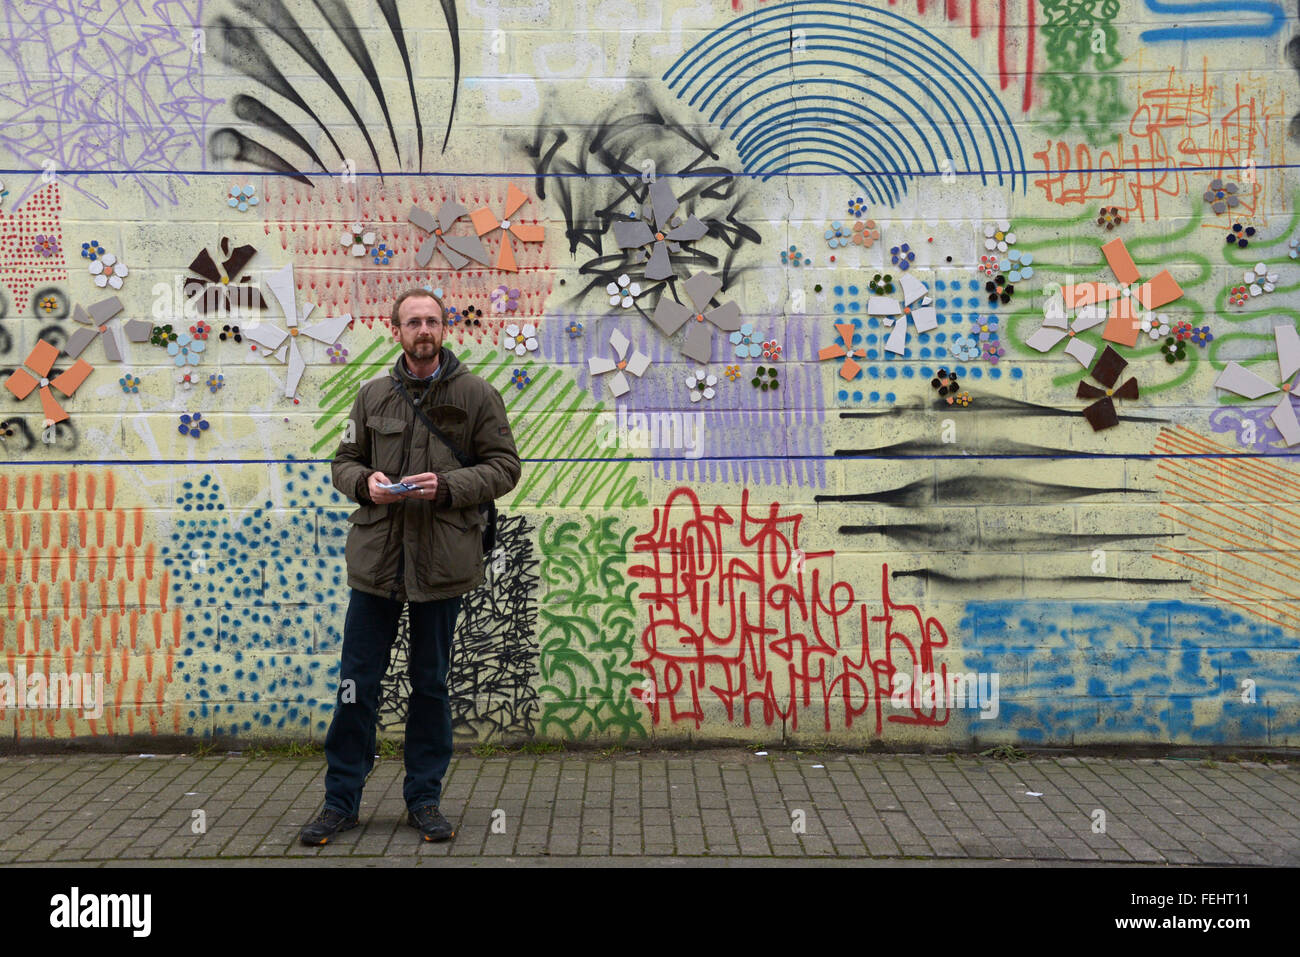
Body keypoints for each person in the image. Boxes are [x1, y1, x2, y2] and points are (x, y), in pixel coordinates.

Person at [299, 287, 521, 845]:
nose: (423, 330)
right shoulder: (372, 395)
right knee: (356, 687)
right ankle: (340, 802)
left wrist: (447, 487)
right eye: (413, 321)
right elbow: (343, 461)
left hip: (443, 565)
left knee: (430, 688)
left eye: (432, 321)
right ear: (394, 329)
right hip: (376, 565)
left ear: (444, 329)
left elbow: (505, 467)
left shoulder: (477, 395)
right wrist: (365, 484)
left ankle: (424, 799)